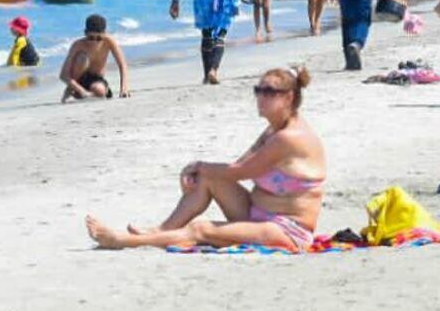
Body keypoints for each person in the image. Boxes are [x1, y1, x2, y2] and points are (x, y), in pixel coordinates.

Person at [85, 64, 323, 253]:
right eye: (258, 91)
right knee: (208, 176)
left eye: (269, 92)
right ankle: (161, 230)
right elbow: (236, 165)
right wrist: (201, 171)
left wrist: (196, 166)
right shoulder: (274, 129)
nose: (261, 97)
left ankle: (121, 241)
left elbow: (241, 172)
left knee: (201, 229)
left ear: (289, 98)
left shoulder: (289, 138)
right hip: (257, 214)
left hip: (287, 231)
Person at [59, 13, 130, 101]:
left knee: (99, 90)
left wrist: (124, 88)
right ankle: (72, 89)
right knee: (83, 59)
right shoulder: (78, 45)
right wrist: (80, 89)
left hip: (96, 79)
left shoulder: (109, 42)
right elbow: (63, 75)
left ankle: (87, 93)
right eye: (91, 38)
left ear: (104, 33)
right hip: (78, 80)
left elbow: (122, 65)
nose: (94, 42)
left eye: (99, 38)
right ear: (85, 33)